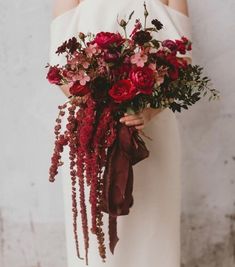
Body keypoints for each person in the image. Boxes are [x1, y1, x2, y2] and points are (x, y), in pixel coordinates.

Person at [49, 0, 192, 266]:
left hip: (151, 129)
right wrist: (101, 110)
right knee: (95, 229)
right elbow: (60, 67)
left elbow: (183, 60)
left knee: (154, 227)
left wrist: (148, 112)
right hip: (90, 130)